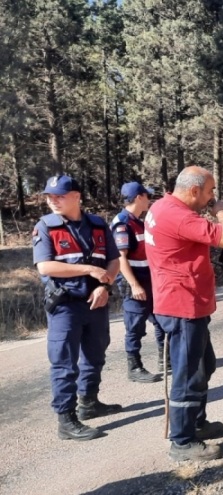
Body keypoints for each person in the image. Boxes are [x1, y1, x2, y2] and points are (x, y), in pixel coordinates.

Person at [145, 165, 223, 461]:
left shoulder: (164, 207)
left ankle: (197, 423)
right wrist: (222, 212)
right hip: (182, 305)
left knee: (203, 366)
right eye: (210, 192)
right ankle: (182, 441)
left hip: (190, 302)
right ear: (194, 190)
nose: (212, 198)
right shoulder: (177, 214)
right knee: (187, 374)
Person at [33, 174, 122, 441]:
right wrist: (88, 269)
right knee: (64, 364)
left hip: (95, 302)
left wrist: (104, 287)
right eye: (49, 196)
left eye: (59, 195)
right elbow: (45, 266)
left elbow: (114, 260)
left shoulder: (96, 224)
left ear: (76, 196)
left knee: (96, 354)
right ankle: (66, 420)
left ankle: (89, 402)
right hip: (65, 305)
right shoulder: (46, 226)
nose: (53, 201)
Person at [111, 182, 163, 383]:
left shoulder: (138, 221)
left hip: (148, 277)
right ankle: (134, 367)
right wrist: (134, 285)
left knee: (160, 319)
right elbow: (120, 257)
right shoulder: (123, 223)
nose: (150, 200)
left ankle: (165, 360)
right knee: (135, 325)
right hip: (135, 279)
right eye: (147, 196)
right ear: (139, 197)